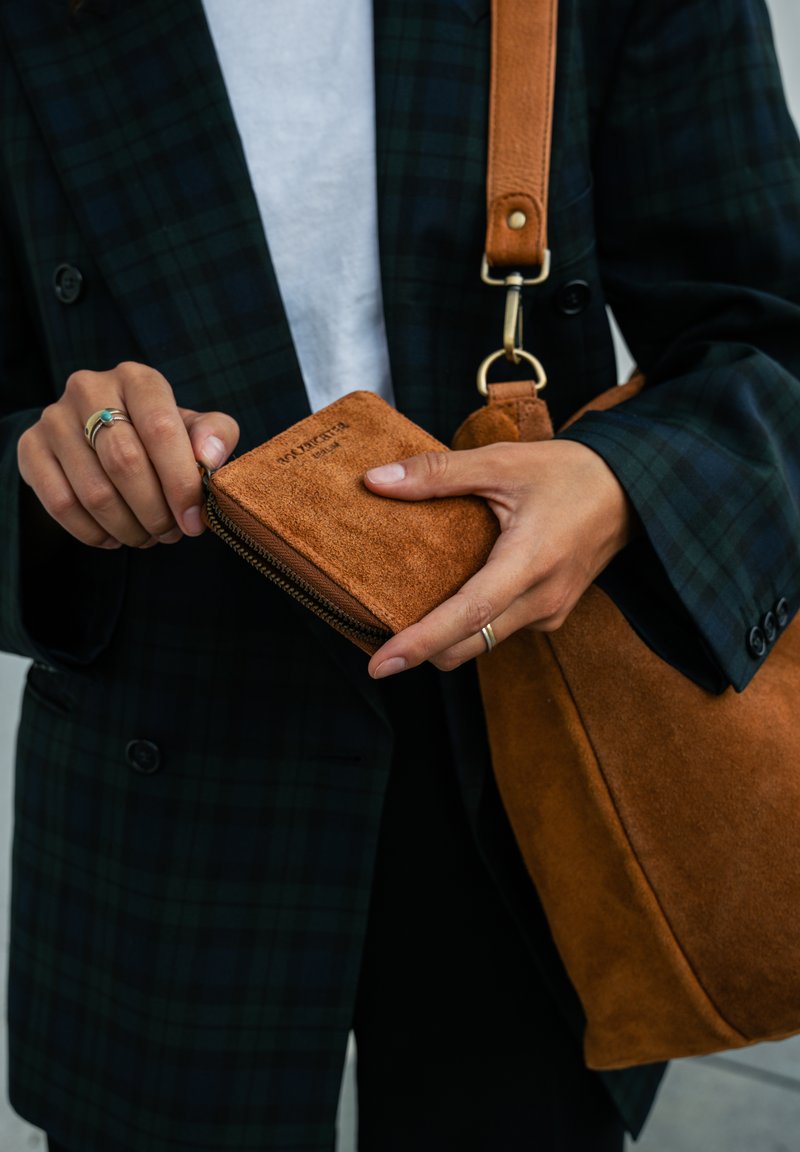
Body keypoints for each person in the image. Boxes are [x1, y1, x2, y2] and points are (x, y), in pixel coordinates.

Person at [1, 0, 798, 1149]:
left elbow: (769, 330)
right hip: (167, 767)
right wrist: (55, 479)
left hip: (524, 743)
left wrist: (616, 484)